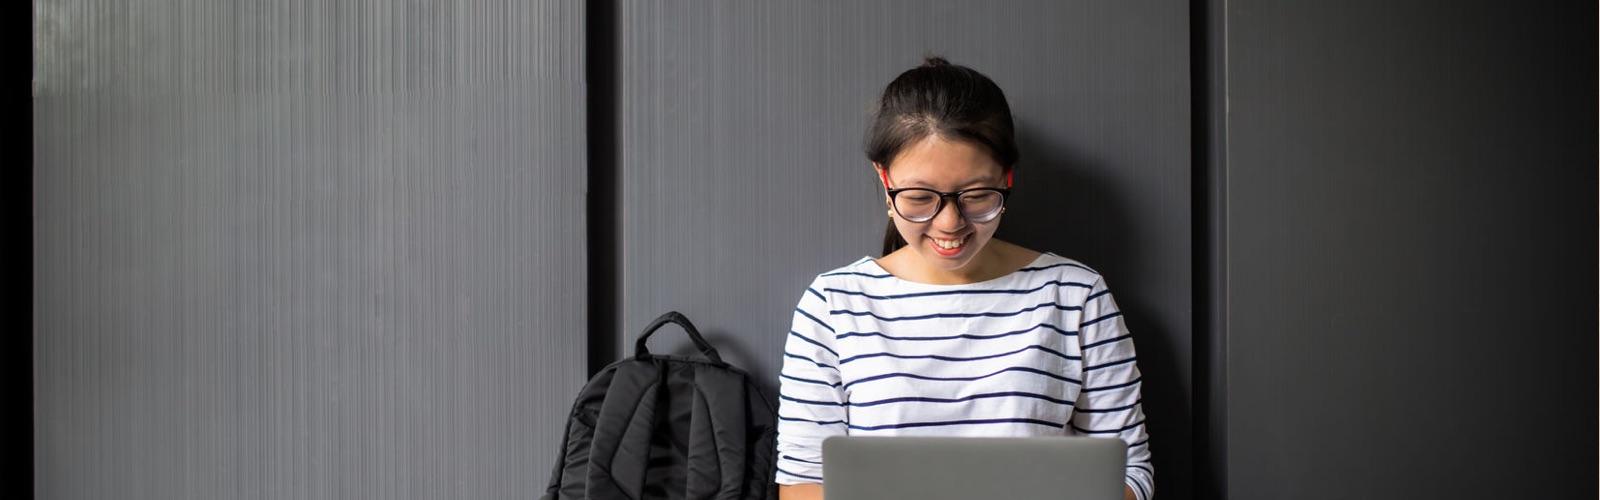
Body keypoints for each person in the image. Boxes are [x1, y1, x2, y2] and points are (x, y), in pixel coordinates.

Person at [772, 57, 1155, 500]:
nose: (950, 223)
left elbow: (1132, 474)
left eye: (977, 197)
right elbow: (802, 483)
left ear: (1007, 178)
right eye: (919, 198)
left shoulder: (1076, 295)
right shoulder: (834, 304)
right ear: (884, 180)